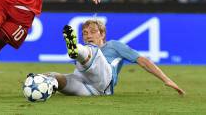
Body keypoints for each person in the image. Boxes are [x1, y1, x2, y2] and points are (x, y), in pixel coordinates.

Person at [45, 20, 185, 96]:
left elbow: (144, 61)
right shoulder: (88, 49)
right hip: (86, 88)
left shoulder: (114, 46)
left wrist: (167, 79)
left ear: (102, 34)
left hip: (104, 84)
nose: (88, 35)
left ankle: (75, 49)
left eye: (93, 32)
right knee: (53, 77)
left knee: (91, 51)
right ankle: (35, 82)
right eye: (85, 33)